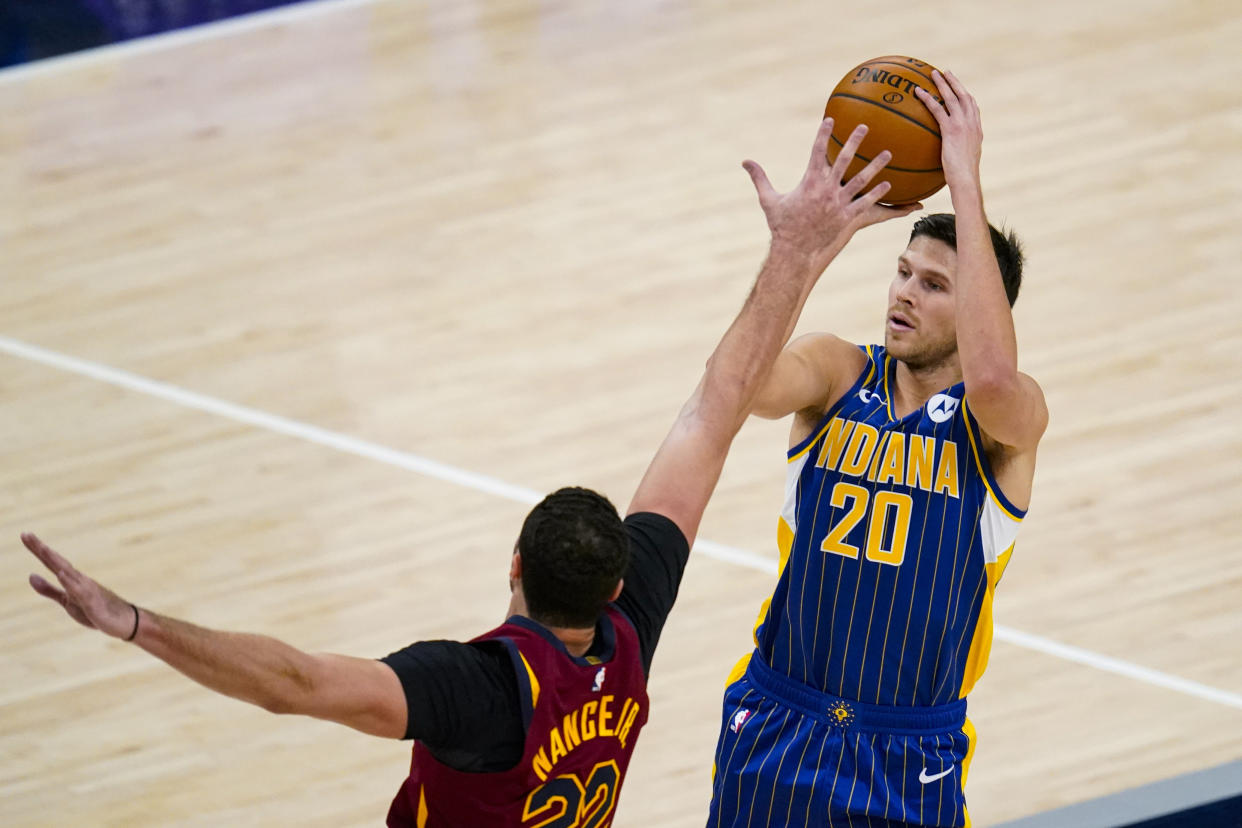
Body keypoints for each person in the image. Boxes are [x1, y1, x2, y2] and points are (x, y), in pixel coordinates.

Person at [20, 119, 918, 827]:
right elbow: (715, 411)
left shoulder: (484, 693)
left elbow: (294, 684)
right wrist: (800, 255)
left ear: (515, 565)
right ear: (615, 581)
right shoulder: (631, 626)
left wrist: (134, 622)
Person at [707, 69, 1049, 828]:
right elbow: (736, 387)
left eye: (933, 285)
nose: (902, 294)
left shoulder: (1003, 422)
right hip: (777, 719)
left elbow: (991, 374)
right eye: (901, 273)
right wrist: (798, 250)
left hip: (907, 754)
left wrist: (963, 178)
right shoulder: (835, 372)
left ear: (978, 308)